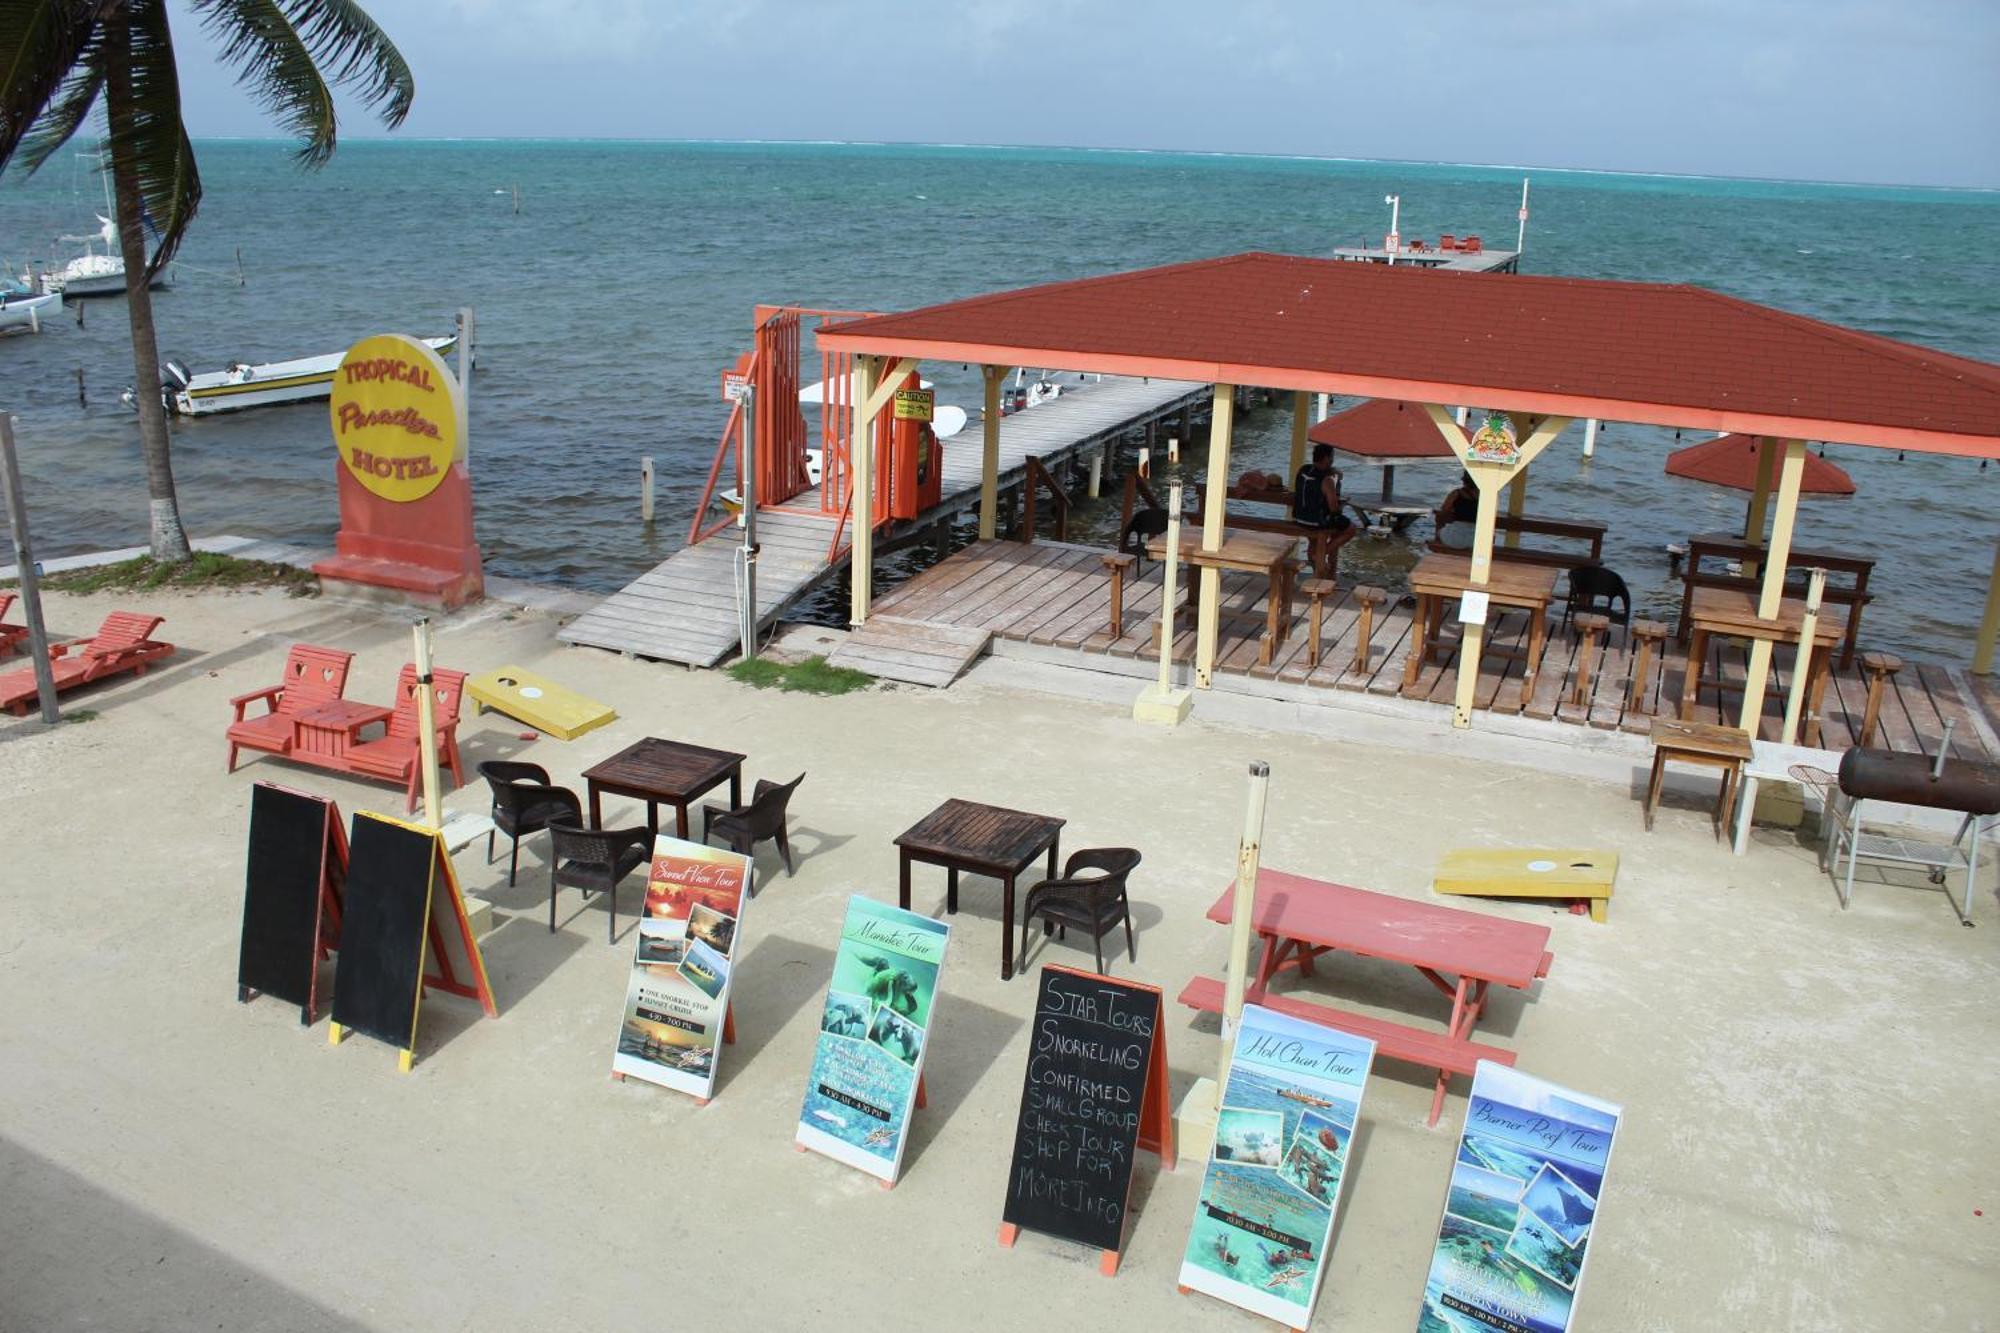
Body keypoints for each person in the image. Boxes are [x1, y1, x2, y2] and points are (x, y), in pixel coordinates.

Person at [1291, 444, 1357, 568]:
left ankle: (1315, 563)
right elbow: (1333, 508)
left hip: (1299, 518)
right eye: (1332, 457)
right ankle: (1320, 554)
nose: (1333, 460)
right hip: (1316, 522)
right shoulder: (1327, 480)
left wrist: (1334, 473)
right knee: (1351, 529)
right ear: (1327, 458)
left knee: (1314, 539)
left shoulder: (1303, 469)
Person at [1434, 471, 1479, 550]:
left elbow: (1443, 511)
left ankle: (1437, 542)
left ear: (1464, 481)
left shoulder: (1456, 494)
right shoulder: (1484, 495)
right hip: (1476, 539)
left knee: (1439, 520)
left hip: (1456, 537)